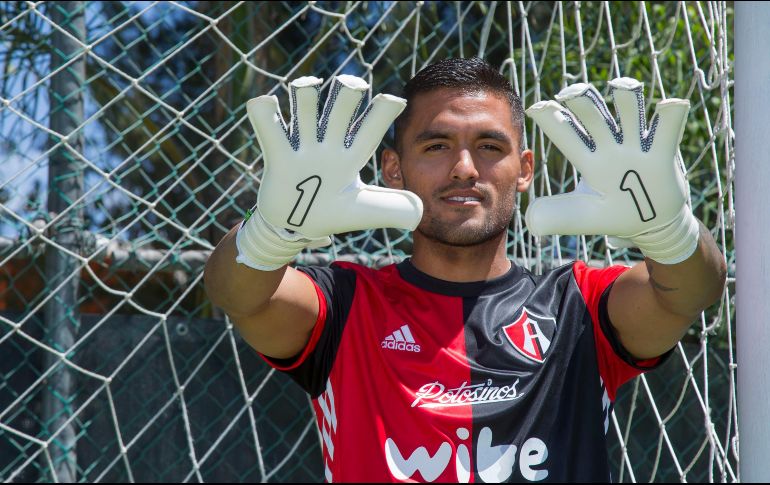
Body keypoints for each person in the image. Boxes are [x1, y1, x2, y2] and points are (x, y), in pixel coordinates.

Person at [203, 57, 726, 482]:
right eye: (437, 145)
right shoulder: (346, 302)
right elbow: (238, 293)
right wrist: (270, 230)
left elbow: (691, 291)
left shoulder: (579, 305)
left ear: (524, 169)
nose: (465, 169)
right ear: (392, 168)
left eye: (490, 147)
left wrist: (668, 231)